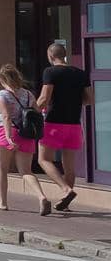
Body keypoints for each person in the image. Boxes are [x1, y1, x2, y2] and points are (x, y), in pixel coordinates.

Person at [37, 41, 93, 213]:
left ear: (51, 56)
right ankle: (65, 204)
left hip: (54, 122)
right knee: (69, 166)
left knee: (43, 159)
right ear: (64, 54)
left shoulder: (50, 72)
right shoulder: (80, 73)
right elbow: (89, 100)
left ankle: (66, 190)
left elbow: (45, 98)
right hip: (74, 124)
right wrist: (73, 102)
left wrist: (33, 109)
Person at [0, 63, 52, 216]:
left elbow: (6, 117)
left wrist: (8, 136)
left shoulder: (2, 95)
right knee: (26, 171)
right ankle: (41, 196)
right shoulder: (28, 94)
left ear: (2, 79)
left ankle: (3, 202)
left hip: (7, 133)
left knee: (2, 170)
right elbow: (37, 112)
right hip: (26, 135)